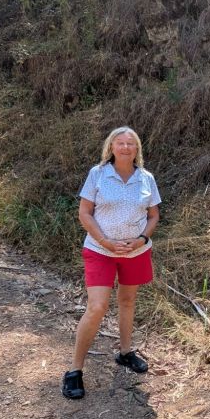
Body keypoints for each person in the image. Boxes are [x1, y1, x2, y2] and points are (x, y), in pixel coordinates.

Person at [62, 127, 161, 400]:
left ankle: (126, 352)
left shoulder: (146, 178)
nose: (125, 147)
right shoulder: (98, 174)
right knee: (97, 307)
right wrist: (105, 241)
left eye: (131, 143)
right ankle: (74, 370)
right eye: (120, 142)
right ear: (111, 146)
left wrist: (141, 239)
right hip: (100, 250)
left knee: (127, 301)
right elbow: (85, 213)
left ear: (137, 148)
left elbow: (153, 215)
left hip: (135, 252)